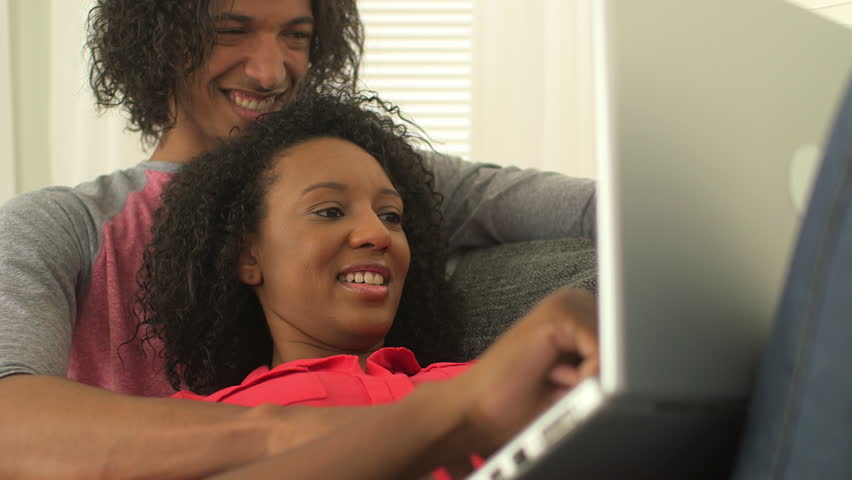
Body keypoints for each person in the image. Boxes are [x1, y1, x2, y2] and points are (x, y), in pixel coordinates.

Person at [0, 0, 596, 477]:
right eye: (231, 30)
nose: (272, 70)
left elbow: (610, 213)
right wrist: (300, 426)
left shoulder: (385, 175)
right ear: (159, 37)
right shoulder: (60, 225)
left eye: (296, 35)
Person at [134, 90, 599, 480]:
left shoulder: (489, 378)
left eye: (391, 216)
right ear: (248, 256)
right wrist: (450, 413)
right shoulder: (203, 419)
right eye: (330, 211)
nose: (378, 234)